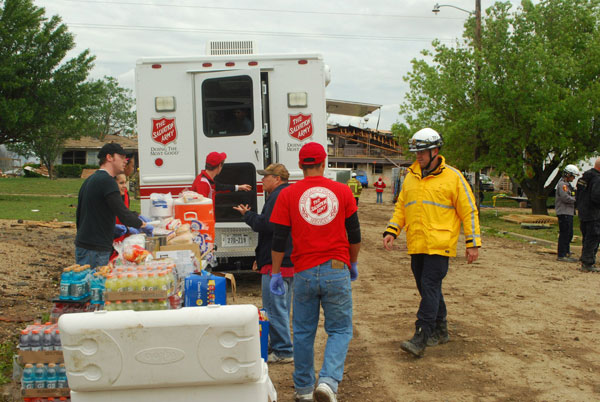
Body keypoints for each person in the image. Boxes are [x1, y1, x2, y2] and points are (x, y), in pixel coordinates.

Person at [269, 142, 361, 402]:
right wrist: (352, 263)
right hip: (336, 268)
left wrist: (276, 272)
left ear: (300, 165)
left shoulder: (288, 194)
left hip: (304, 271)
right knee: (340, 330)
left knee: (303, 332)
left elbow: (279, 239)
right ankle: (329, 382)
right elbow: (354, 234)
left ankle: (304, 390)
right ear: (325, 163)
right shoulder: (342, 192)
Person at [382, 128, 481, 358]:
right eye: (416, 152)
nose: (418, 156)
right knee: (428, 289)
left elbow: (469, 211)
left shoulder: (453, 177)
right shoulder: (411, 177)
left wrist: (472, 242)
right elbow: (402, 208)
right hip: (417, 244)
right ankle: (440, 328)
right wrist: (392, 230)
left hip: (440, 244)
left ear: (436, 151)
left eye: (423, 152)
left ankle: (422, 335)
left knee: (429, 286)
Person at [233, 163, 295, 364]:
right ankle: (278, 344)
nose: (262, 180)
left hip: (277, 262)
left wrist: (247, 216)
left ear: (277, 178)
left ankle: (284, 350)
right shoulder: (287, 194)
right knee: (282, 308)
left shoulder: (277, 196)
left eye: (265, 177)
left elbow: (267, 225)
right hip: (289, 260)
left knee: (274, 308)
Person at [75, 143, 147, 268]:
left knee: (86, 282)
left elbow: (81, 214)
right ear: (109, 157)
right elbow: (122, 212)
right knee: (96, 285)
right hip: (96, 248)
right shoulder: (108, 181)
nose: (125, 161)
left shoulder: (91, 179)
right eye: (121, 157)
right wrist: (142, 224)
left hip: (84, 244)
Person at [576, 158, 600, 272]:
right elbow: (596, 196)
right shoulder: (597, 179)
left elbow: (578, 193)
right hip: (594, 214)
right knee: (593, 237)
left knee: (586, 237)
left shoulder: (584, 177)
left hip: (583, 212)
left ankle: (584, 259)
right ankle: (588, 263)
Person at [555, 165, 579, 263]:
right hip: (564, 212)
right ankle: (562, 254)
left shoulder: (568, 185)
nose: (573, 178)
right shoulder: (562, 185)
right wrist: (576, 200)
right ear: (568, 174)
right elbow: (565, 198)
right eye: (573, 176)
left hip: (568, 212)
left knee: (569, 233)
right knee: (565, 233)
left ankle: (566, 251)